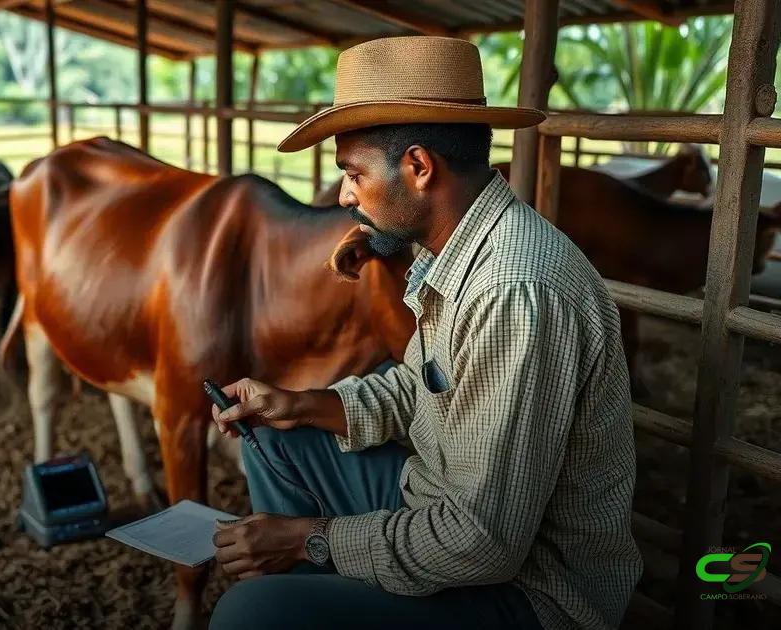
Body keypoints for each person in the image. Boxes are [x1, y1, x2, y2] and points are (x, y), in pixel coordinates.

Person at [208, 36, 642, 630]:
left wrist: (309, 538)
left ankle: (307, 596)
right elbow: (423, 385)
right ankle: (324, 599)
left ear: (418, 167)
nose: (345, 195)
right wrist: (300, 404)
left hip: (526, 590)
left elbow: (485, 543)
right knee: (279, 441)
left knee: (246, 614)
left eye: (354, 173)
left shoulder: (513, 290)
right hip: (442, 508)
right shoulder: (453, 252)